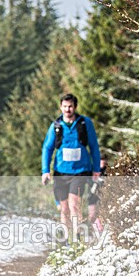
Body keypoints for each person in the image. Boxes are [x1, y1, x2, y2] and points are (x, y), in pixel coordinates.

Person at [41, 94, 101, 241]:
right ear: (61, 107)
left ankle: (78, 237)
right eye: (65, 106)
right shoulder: (55, 126)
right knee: (64, 207)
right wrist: (45, 171)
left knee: (75, 204)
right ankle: (66, 240)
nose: (68, 109)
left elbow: (94, 147)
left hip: (80, 172)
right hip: (61, 172)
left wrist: (96, 169)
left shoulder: (85, 123)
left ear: (75, 107)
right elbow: (47, 148)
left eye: (70, 106)